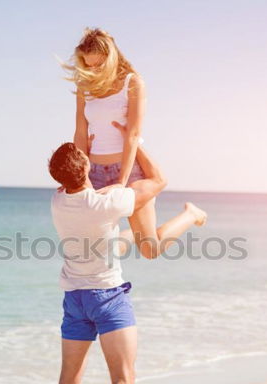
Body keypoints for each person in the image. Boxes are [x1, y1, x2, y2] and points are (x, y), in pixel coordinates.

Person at [40, 122, 207, 384]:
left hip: (75, 300)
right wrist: (135, 141)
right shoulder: (107, 203)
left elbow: (85, 188)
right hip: (108, 299)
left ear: (59, 179)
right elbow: (159, 181)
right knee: (123, 379)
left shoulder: (58, 202)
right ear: (86, 168)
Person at [61, 27, 207, 258]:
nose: (93, 70)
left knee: (150, 250)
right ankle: (129, 234)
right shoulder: (84, 87)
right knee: (96, 251)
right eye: (88, 65)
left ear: (110, 59)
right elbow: (80, 133)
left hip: (129, 172)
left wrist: (121, 182)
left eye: (98, 65)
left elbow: (132, 134)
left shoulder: (133, 83)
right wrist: (79, 178)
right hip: (95, 172)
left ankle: (191, 214)